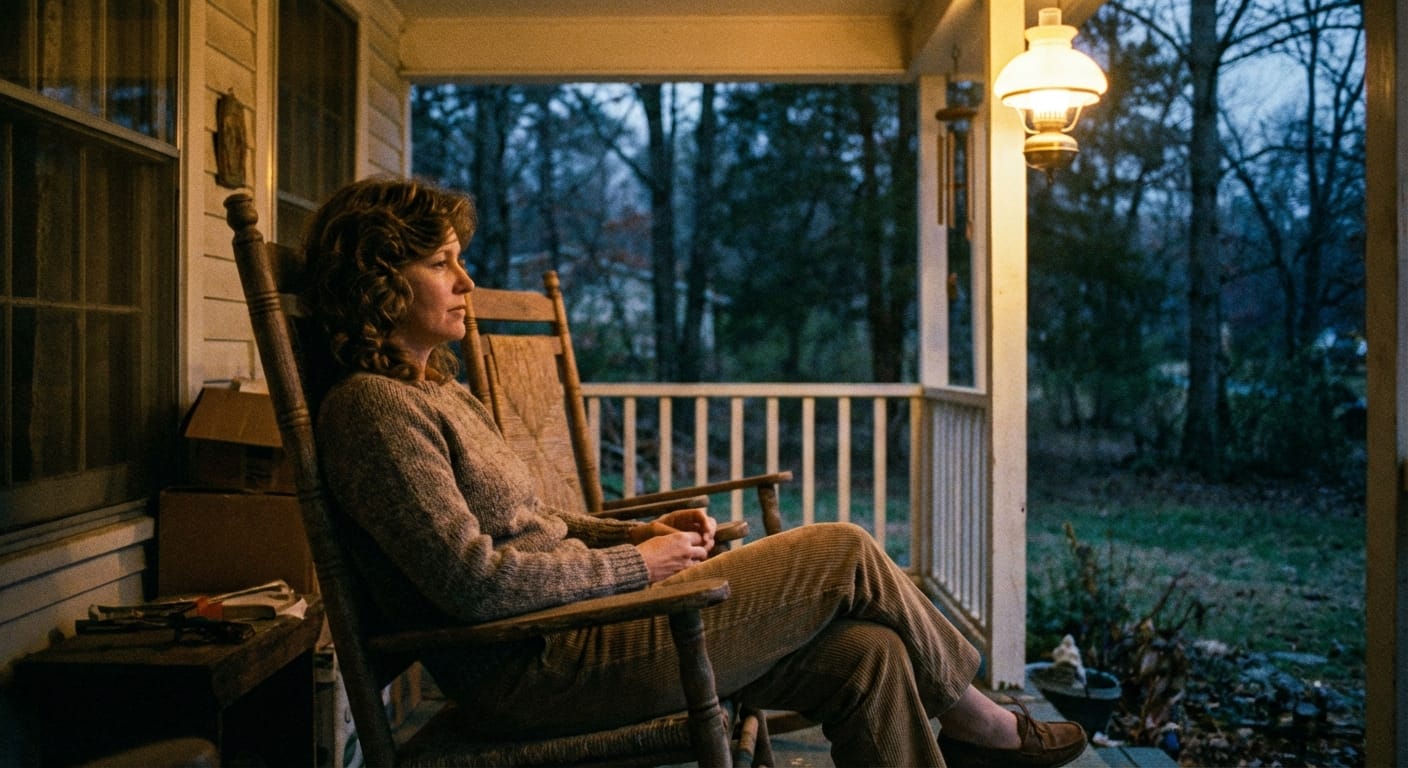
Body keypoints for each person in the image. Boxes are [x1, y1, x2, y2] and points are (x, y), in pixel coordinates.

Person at [302, 176, 1087, 768]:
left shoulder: (434, 389)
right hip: (544, 665)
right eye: (443, 265)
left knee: (868, 657)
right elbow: (473, 582)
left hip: (589, 630)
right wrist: (635, 565)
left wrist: (639, 531)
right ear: (378, 282)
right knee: (843, 549)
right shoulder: (372, 413)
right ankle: (980, 721)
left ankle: (969, 723)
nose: (466, 282)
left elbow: (539, 523)